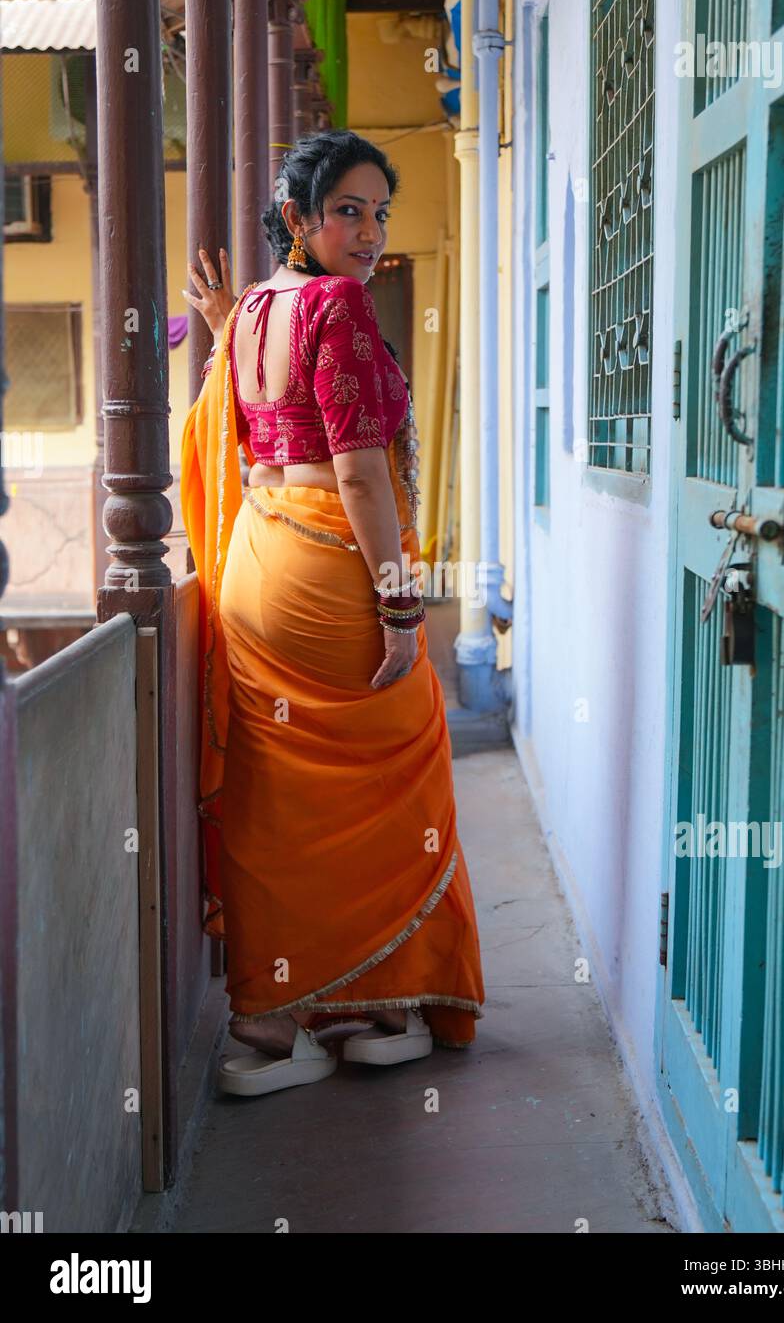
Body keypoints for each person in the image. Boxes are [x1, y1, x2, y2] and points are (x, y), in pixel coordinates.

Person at [180, 129, 485, 1096]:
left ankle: (274, 1026)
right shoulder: (341, 303)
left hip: (255, 565)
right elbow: (358, 471)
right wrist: (402, 609)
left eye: (379, 212)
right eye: (347, 210)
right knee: (403, 775)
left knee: (279, 804)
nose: (368, 231)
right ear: (299, 220)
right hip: (328, 570)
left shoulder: (258, 310)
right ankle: (386, 1005)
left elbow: (238, 425)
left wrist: (229, 320)